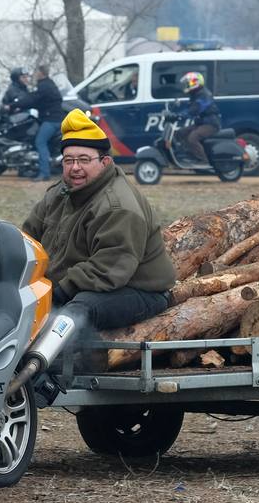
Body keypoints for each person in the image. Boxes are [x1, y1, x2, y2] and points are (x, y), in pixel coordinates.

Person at [22, 110, 176, 403]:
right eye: (69, 161)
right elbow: (28, 239)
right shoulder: (59, 194)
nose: (75, 168)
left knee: (78, 310)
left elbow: (109, 270)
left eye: (83, 160)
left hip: (137, 290)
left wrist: (53, 293)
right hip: (85, 284)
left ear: (105, 162)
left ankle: (52, 368)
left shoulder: (117, 205)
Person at [29, 64, 66, 180]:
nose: (35, 74)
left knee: (40, 142)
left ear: (41, 73)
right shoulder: (50, 84)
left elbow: (35, 99)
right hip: (57, 118)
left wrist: (16, 105)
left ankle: (44, 173)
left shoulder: (43, 86)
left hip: (52, 120)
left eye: (36, 72)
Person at [173, 71, 220, 162]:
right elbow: (189, 108)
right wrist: (176, 114)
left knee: (193, 138)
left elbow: (195, 109)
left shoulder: (204, 95)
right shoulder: (195, 95)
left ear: (195, 82)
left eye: (188, 82)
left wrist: (181, 115)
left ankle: (203, 160)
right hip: (201, 123)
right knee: (180, 132)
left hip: (211, 124)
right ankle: (189, 154)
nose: (186, 85)